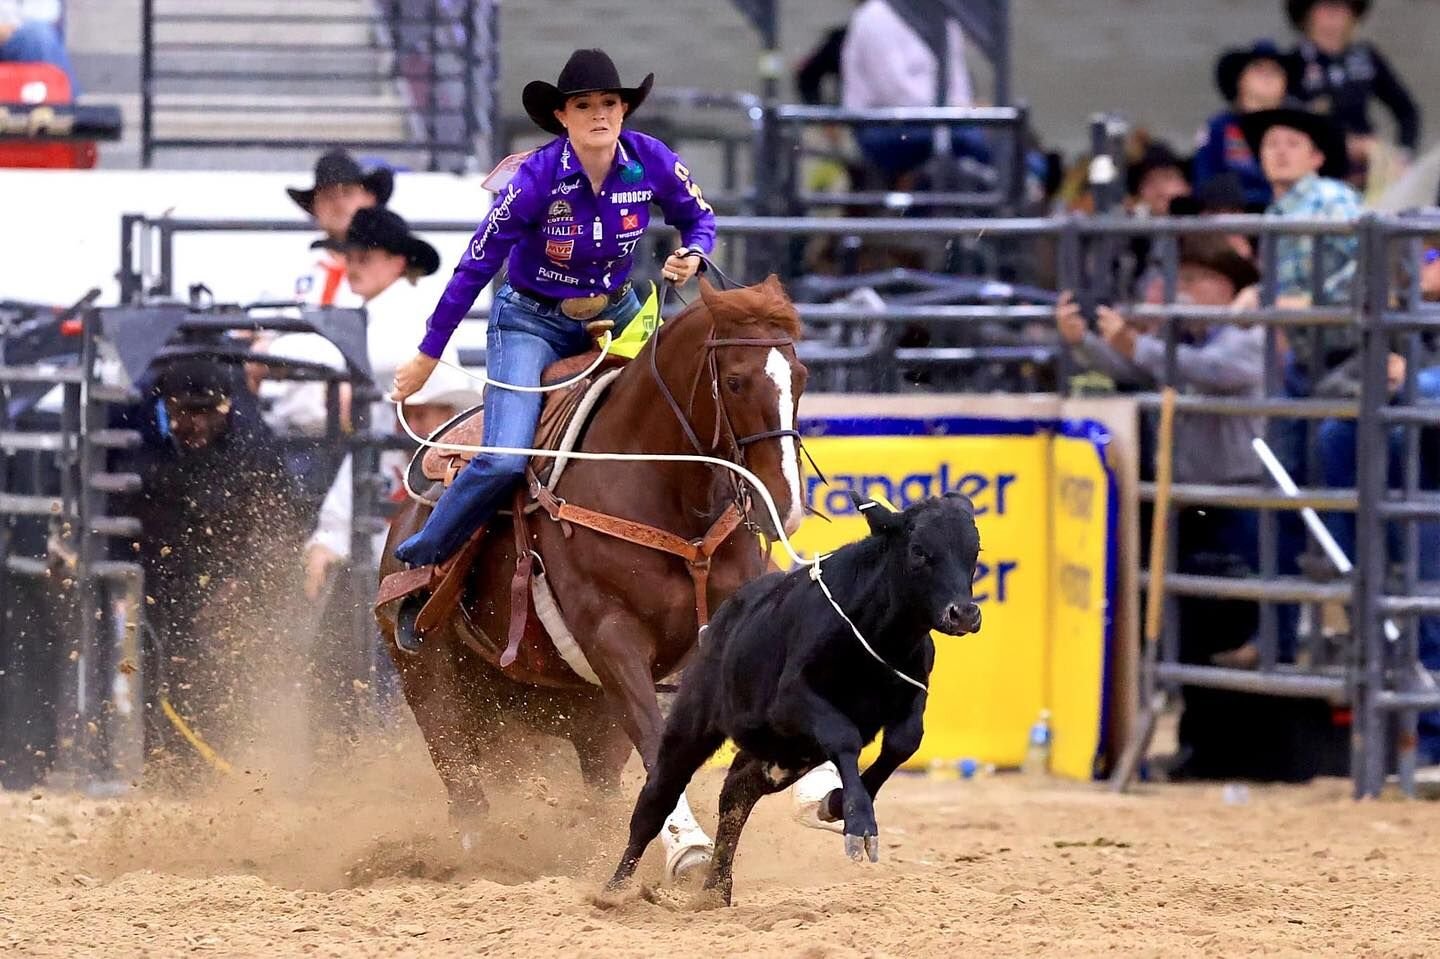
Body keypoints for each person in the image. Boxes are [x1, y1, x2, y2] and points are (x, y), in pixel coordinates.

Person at [384, 48, 716, 625]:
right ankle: (420, 560)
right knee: (506, 460)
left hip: (619, 314)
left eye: (609, 103)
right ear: (562, 116)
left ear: (623, 109)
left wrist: (695, 254)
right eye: (584, 105)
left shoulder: (652, 161)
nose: (599, 115)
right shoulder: (537, 178)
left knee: (678, 424)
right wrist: (427, 355)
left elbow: (699, 218)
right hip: (529, 320)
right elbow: (476, 265)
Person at [119, 358, 304, 776]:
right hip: (159, 575)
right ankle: (162, 768)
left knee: (226, 672)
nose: (196, 423)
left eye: (207, 411)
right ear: (166, 406)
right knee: (152, 665)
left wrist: (246, 584)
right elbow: (118, 502)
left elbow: (280, 524)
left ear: (226, 407)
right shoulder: (142, 438)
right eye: (185, 411)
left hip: (232, 582)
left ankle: (232, 766)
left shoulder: (253, 446)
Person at [258, 206, 454, 497]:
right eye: (349, 258)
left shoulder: (404, 306)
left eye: (364, 258)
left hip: (422, 446)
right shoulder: (392, 305)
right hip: (403, 445)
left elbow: (360, 354)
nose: (353, 268)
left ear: (397, 262)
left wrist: (273, 350)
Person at [839, 0, 983, 184]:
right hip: (883, 126)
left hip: (939, 121)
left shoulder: (944, 16)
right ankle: (1011, 187)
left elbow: (958, 80)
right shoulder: (875, 16)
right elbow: (895, 92)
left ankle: (1021, 183)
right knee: (967, 139)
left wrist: (963, 111)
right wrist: (954, 113)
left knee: (1002, 135)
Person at [1284, 0, 1419, 176]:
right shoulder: (1292, 61)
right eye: (1325, 6)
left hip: (1365, 164)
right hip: (1315, 164)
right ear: (1307, 14)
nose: (1334, 13)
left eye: (1343, 6)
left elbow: (1406, 110)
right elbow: (1285, 116)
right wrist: (1341, 143)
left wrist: (1403, 154)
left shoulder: (1366, 58)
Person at [285, 148, 395, 308]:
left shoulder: (398, 264)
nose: (339, 204)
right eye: (328, 196)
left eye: (348, 193)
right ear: (314, 208)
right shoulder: (289, 267)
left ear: (370, 198)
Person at [1193, 40, 1291, 210]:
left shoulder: (1298, 130)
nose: (1267, 77)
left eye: (1275, 71)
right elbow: (1204, 182)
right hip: (1229, 218)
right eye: (1258, 69)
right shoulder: (1218, 128)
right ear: (1239, 79)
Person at [0, 2, 77, 91]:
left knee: (38, 36)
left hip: (19, 38)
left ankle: (59, 99)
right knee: (36, 36)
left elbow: (46, 17)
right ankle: (63, 100)